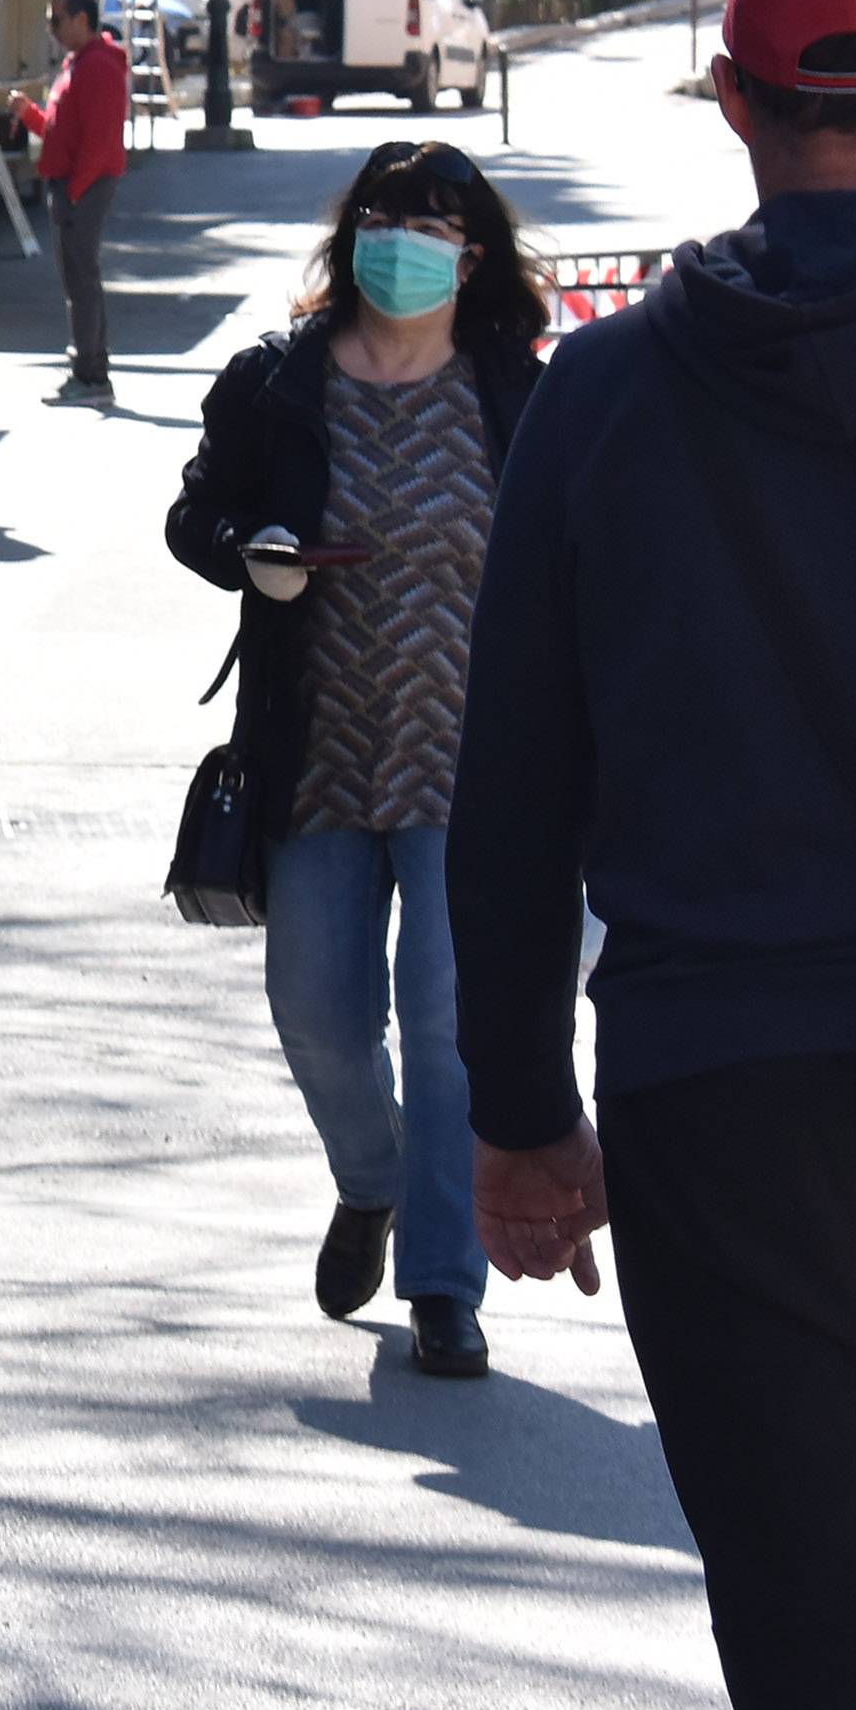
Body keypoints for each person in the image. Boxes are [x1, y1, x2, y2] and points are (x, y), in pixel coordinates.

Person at [446, 0, 856, 1710]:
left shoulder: (609, 398)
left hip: (723, 1081)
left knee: (815, 1663)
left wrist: (527, 1115)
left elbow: (515, 780)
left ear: (731, 94)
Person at [167, 139, 544, 1378]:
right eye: (388, 219)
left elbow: (581, 558)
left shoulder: (514, 387)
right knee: (318, 1011)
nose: (408, 245)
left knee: (446, 1024)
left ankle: (445, 1282)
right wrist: (248, 549)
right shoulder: (280, 381)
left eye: (437, 227)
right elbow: (194, 515)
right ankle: (369, 1177)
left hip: (468, 762)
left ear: (473, 253)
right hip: (316, 752)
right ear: (353, 232)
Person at [12, 0, 130, 407]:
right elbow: (61, 132)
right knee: (77, 279)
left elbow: (100, 140)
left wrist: (77, 193)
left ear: (82, 19)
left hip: (84, 185)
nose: (52, 28)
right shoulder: (77, 64)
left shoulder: (98, 66)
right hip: (72, 183)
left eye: (56, 19)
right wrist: (29, 114)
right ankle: (89, 367)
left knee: (81, 279)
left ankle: (91, 373)